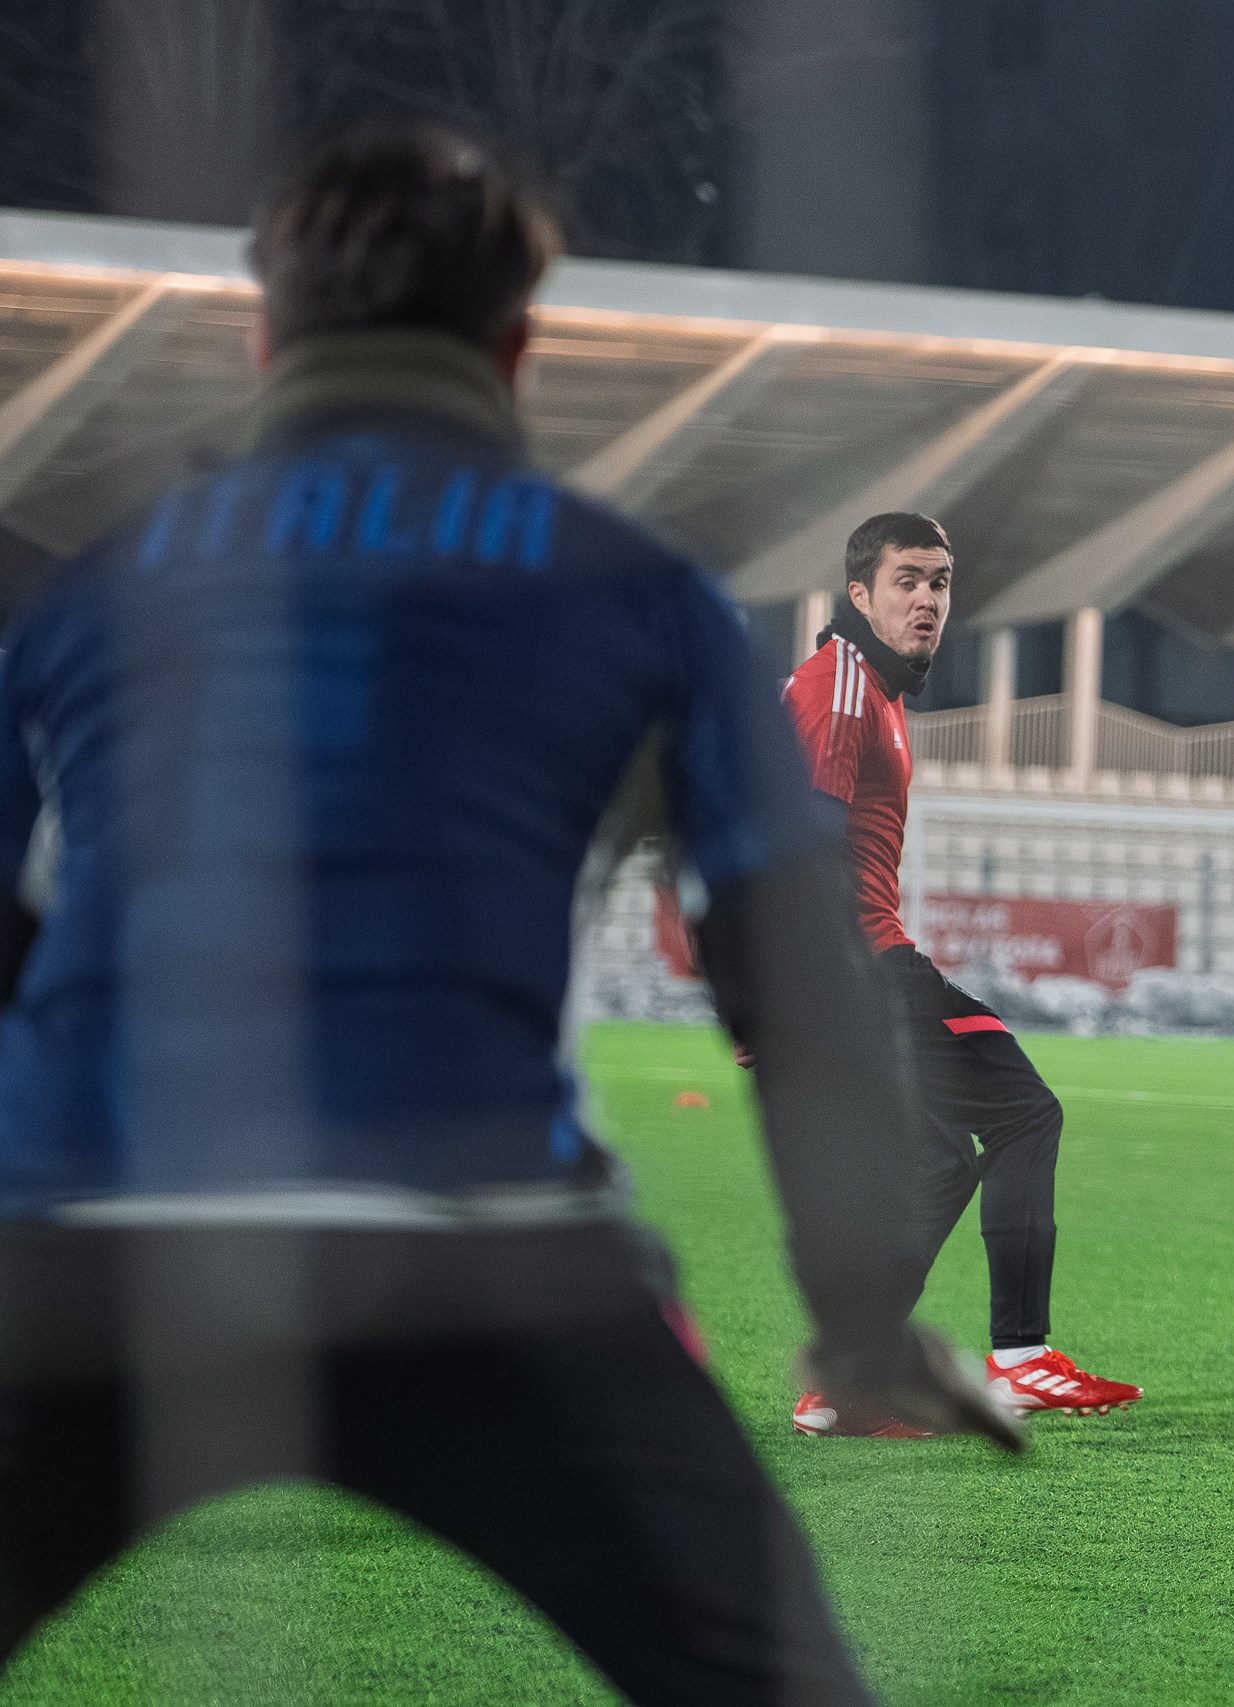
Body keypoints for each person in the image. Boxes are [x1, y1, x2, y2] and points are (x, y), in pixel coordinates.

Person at [0, 123, 1013, 1705]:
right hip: (486, 1261)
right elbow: (793, 975)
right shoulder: (637, 591)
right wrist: (863, 1317)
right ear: (517, 347)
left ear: (268, 338)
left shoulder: (93, 592)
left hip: (91, 1254)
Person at [782, 512, 1141, 1434]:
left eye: (940, 581)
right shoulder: (844, 686)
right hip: (862, 968)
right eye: (907, 580)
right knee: (1025, 1112)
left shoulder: (874, 690)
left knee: (944, 1162)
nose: (928, 599)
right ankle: (1020, 1358)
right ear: (859, 593)